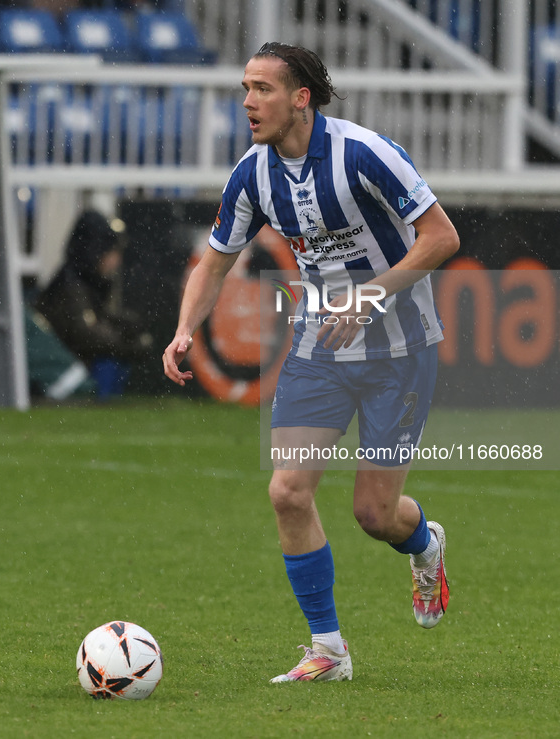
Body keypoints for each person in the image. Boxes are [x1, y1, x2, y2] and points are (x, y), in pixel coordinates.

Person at [163, 42, 460, 683]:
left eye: (262, 89)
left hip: (399, 351)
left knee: (375, 515)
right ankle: (328, 651)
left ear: (301, 98)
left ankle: (426, 544)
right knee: (287, 491)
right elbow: (215, 259)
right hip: (317, 347)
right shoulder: (252, 174)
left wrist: (371, 294)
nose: (247, 102)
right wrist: (185, 328)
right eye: (245, 88)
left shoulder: (364, 152)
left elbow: (442, 236)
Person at [36, 210, 152, 398]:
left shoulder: (91, 282)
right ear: (94, 250)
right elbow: (86, 334)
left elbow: (99, 320)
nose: (116, 260)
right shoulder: (70, 286)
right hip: (61, 371)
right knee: (109, 362)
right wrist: (129, 344)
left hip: (77, 363)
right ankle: (99, 402)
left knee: (114, 359)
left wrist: (128, 327)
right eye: (112, 252)